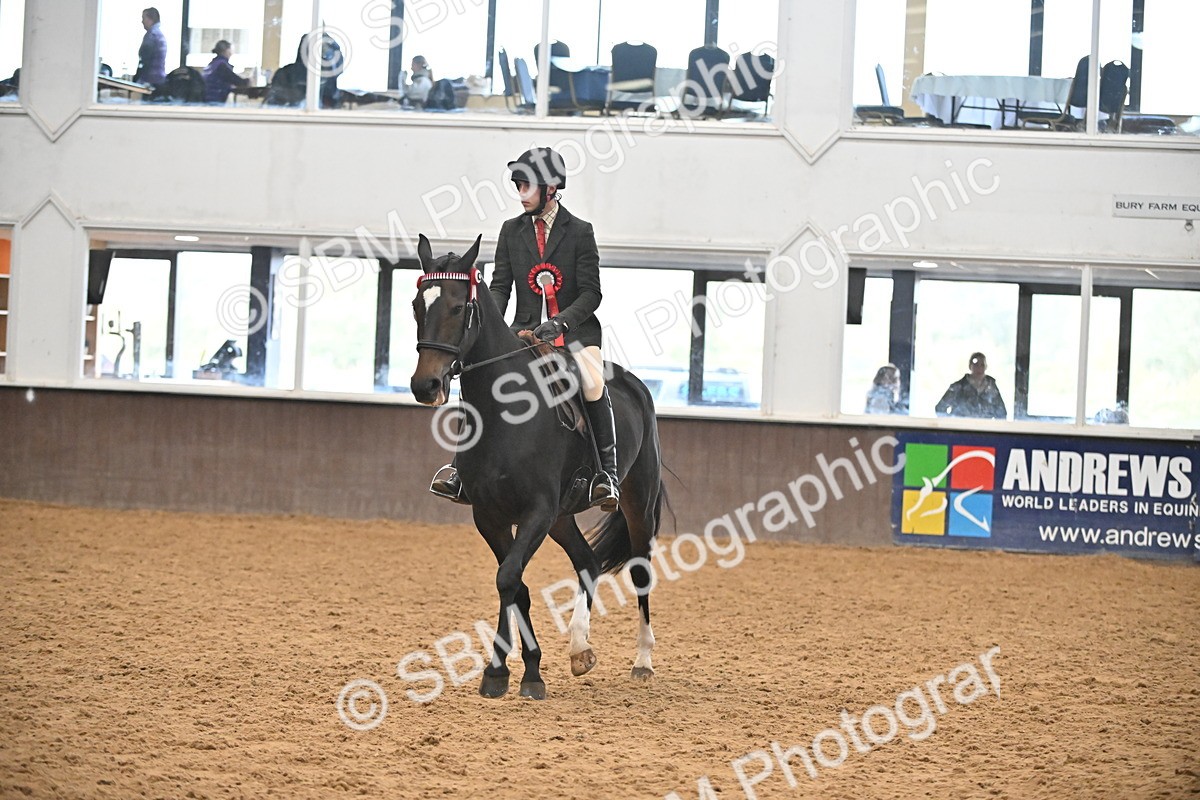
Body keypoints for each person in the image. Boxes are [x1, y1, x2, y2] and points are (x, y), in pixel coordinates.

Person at [430, 147, 620, 512]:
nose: (520, 193)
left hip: (575, 334)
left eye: (526, 186)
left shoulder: (580, 231)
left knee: (593, 383)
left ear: (550, 189)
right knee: (483, 377)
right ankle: (458, 470)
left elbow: (591, 292)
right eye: (517, 185)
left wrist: (561, 321)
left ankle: (605, 474)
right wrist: (490, 329)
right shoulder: (510, 231)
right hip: (523, 333)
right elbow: (500, 287)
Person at [935, 352, 1007, 419]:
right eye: (976, 365)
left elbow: (1002, 414)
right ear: (970, 366)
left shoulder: (992, 388)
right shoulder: (958, 387)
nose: (979, 368)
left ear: (986, 367)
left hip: (985, 430)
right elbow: (940, 409)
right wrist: (952, 425)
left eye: (982, 365)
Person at [133, 8, 168, 88]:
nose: (142, 21)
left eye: (143, 18)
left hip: (149, 80)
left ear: (151, 19)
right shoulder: (159, 34)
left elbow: (145, 59)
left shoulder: (151, 35)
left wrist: (136, 78)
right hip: (159, 78)